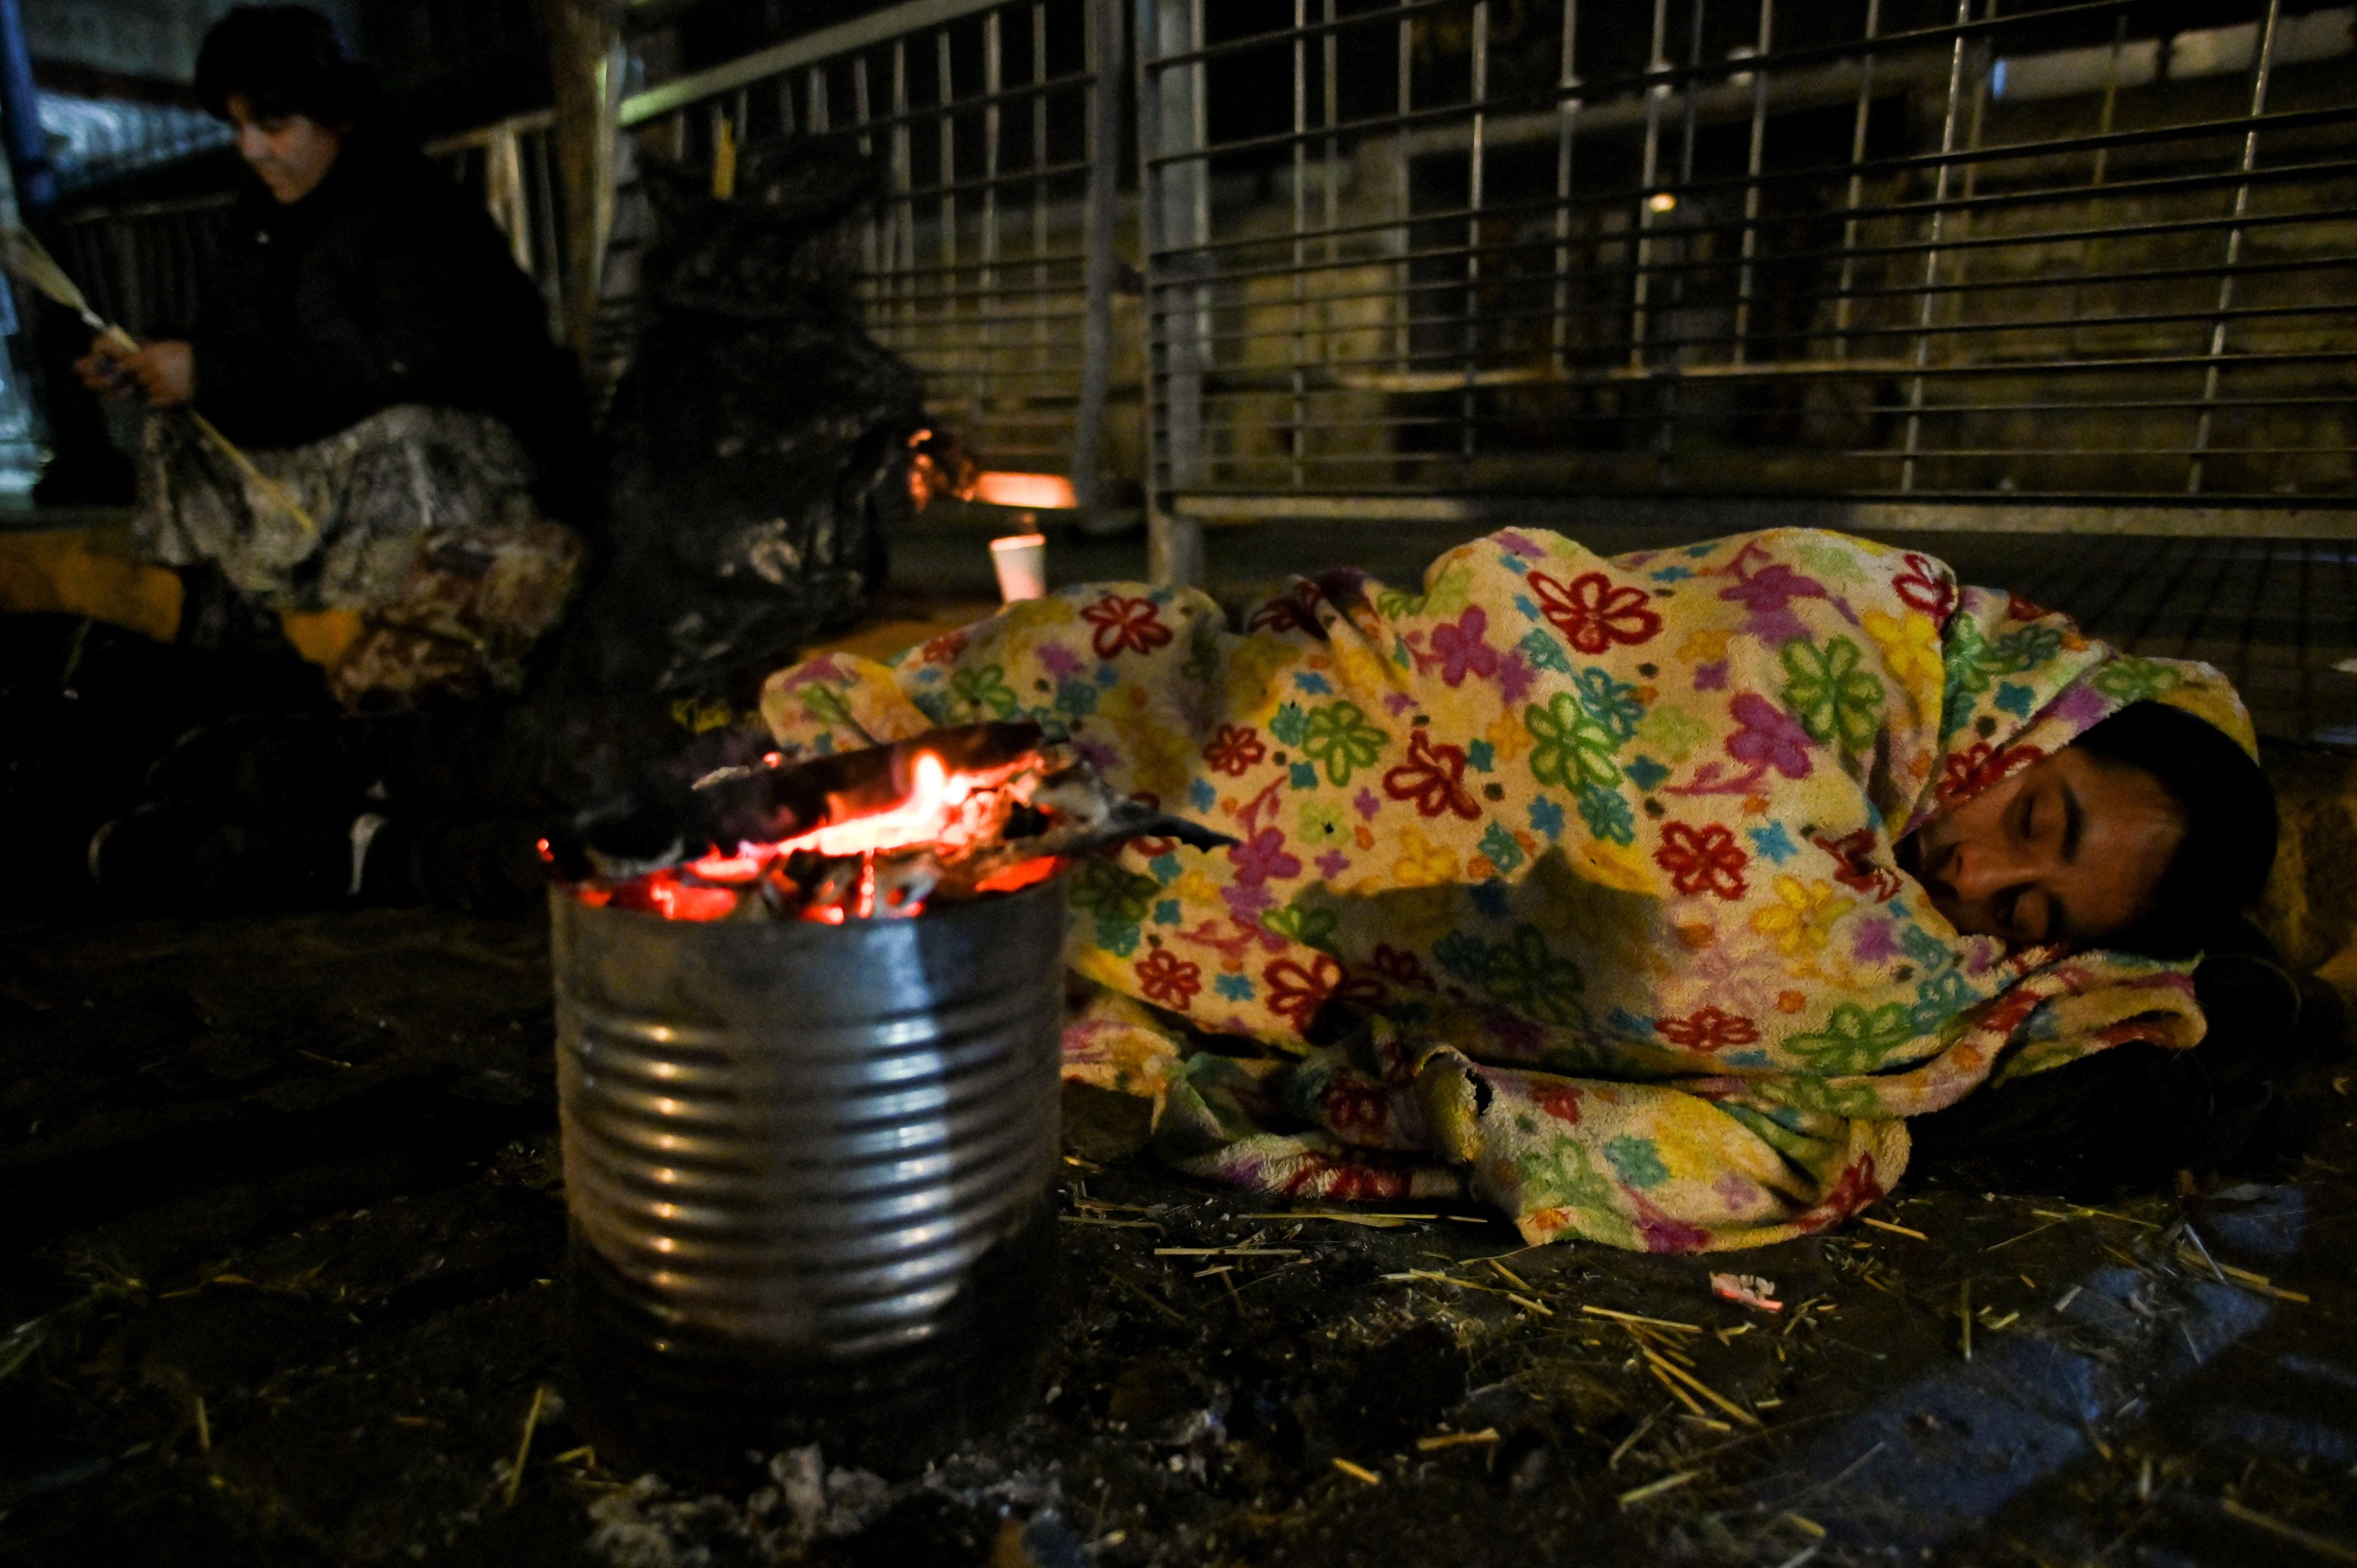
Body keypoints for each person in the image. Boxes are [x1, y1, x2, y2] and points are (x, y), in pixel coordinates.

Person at [754, 525, 2282, 1252]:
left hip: (1348, 913)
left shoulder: (1923, 952)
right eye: (2043, 814)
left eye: (2031, 916)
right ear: (2054, 721)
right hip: (1334, 708)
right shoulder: (1864, 620)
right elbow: (1690, 842)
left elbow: (1738, 964)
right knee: (1049, 743)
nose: (1978, 870)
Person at [73, 5, 590, 708]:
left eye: (274, 127)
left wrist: (216, 373)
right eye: (239, 128)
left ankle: (414, 622)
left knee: (403, 430)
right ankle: (231, 618)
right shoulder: (259, 218)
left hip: (477, 466)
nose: (252, 150)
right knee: (178, 428)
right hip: (323, 452)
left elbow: (411, 365)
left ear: (337, 120)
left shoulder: (415, 210)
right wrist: (154, 361)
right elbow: (238, 340)